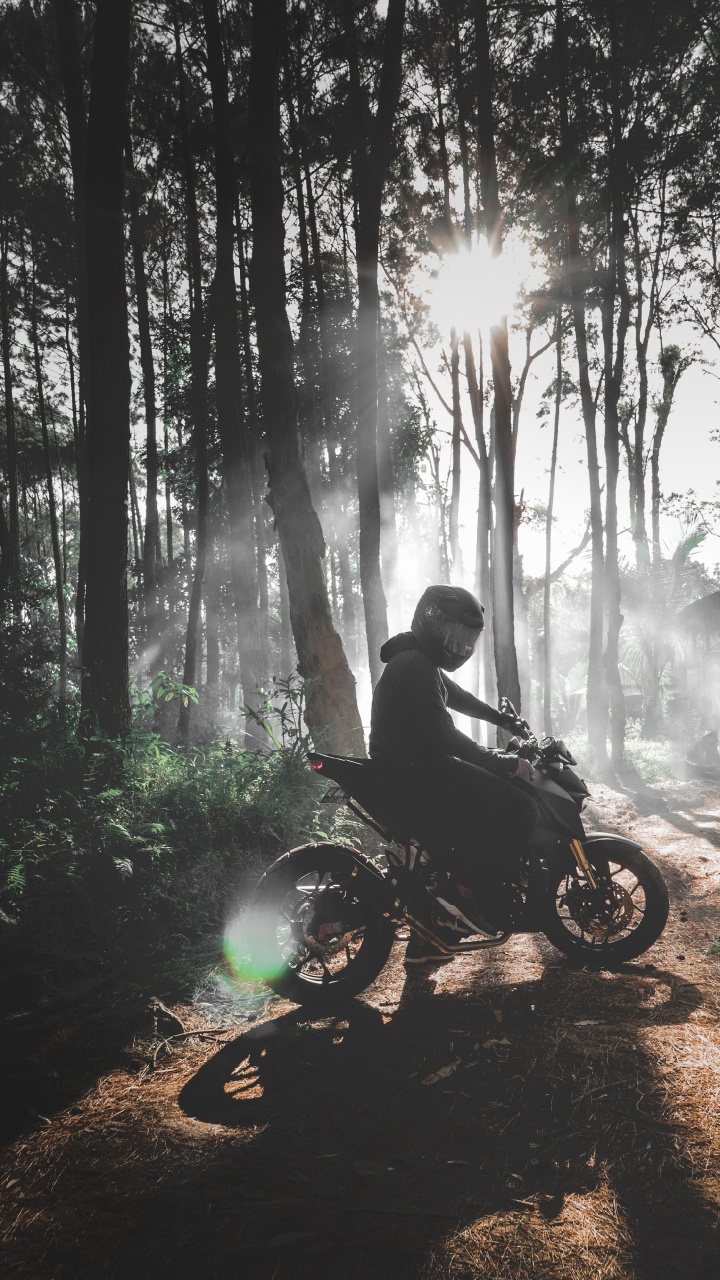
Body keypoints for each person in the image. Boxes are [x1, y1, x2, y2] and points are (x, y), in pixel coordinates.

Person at [369, 584, 538, 965]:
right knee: (520, 809)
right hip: (416, 771)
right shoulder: (415, 666)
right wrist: (502, 763)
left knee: (475, 818)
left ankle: (431, 938)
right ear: (431, 624)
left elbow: (457, 696)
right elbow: (445, 736)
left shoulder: (418, 660)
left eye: (468, 638)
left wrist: (500, 719)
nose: (461, 646)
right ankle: (463, 893)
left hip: (409, 769)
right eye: (453, 635)